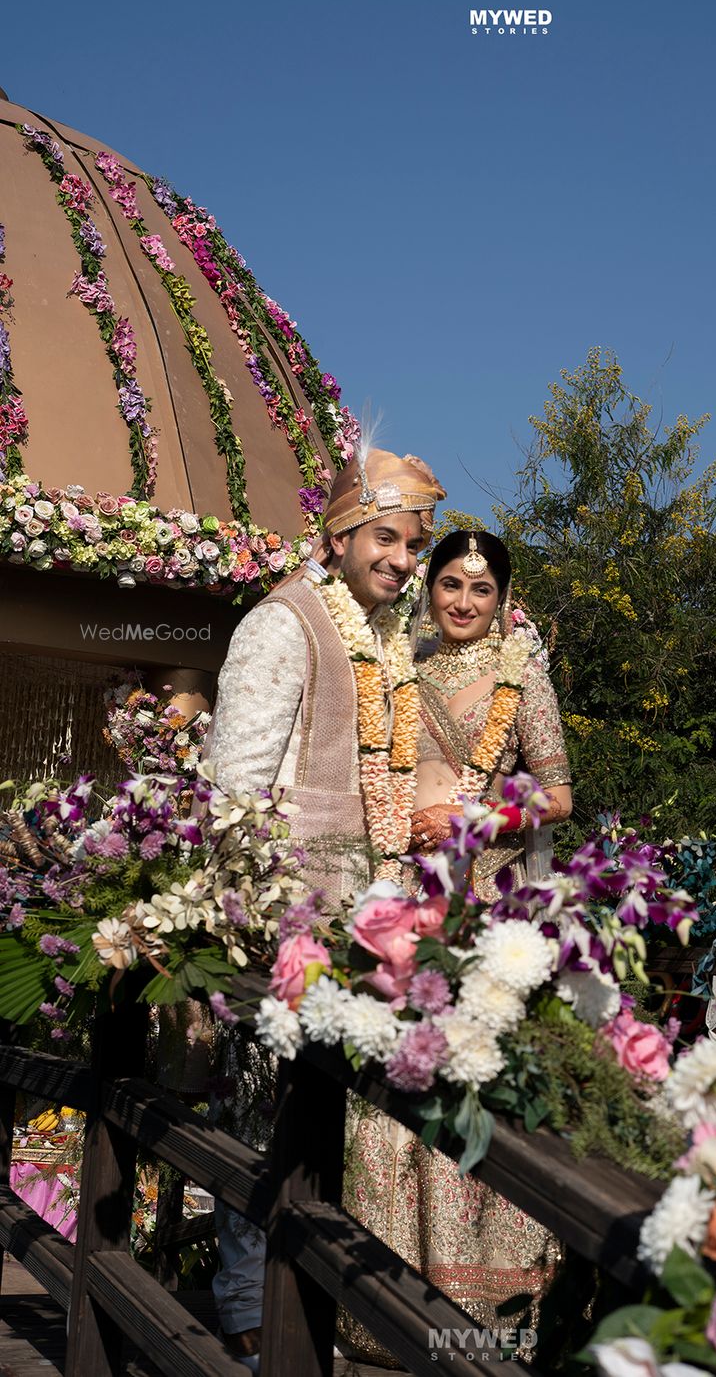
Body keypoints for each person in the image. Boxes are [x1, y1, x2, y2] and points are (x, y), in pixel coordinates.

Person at [203, 444, 446, 1370]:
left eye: (413, 544)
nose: (401, 558)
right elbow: (238, 795)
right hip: (286, 925)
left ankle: (306, 1303)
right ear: (339, 534)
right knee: (259, 1119)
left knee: (329, 1126)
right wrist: (260, 925)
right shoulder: (284, 625)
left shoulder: (390, 641)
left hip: (365, 930)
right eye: (385, 537)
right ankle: (237, 1304)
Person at [344, 529, 573, 1353]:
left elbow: (558, 797)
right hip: (400, 898)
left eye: (481, 589)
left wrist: (475, 819)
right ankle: (375, 1307)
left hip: (486, 907)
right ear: (428, 589)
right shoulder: (396, 666)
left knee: (471, 1081)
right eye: (449, 585)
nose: (463, 603)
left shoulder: (526, 678)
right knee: (388, 1085)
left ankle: (475, 1319)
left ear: (502, 598)